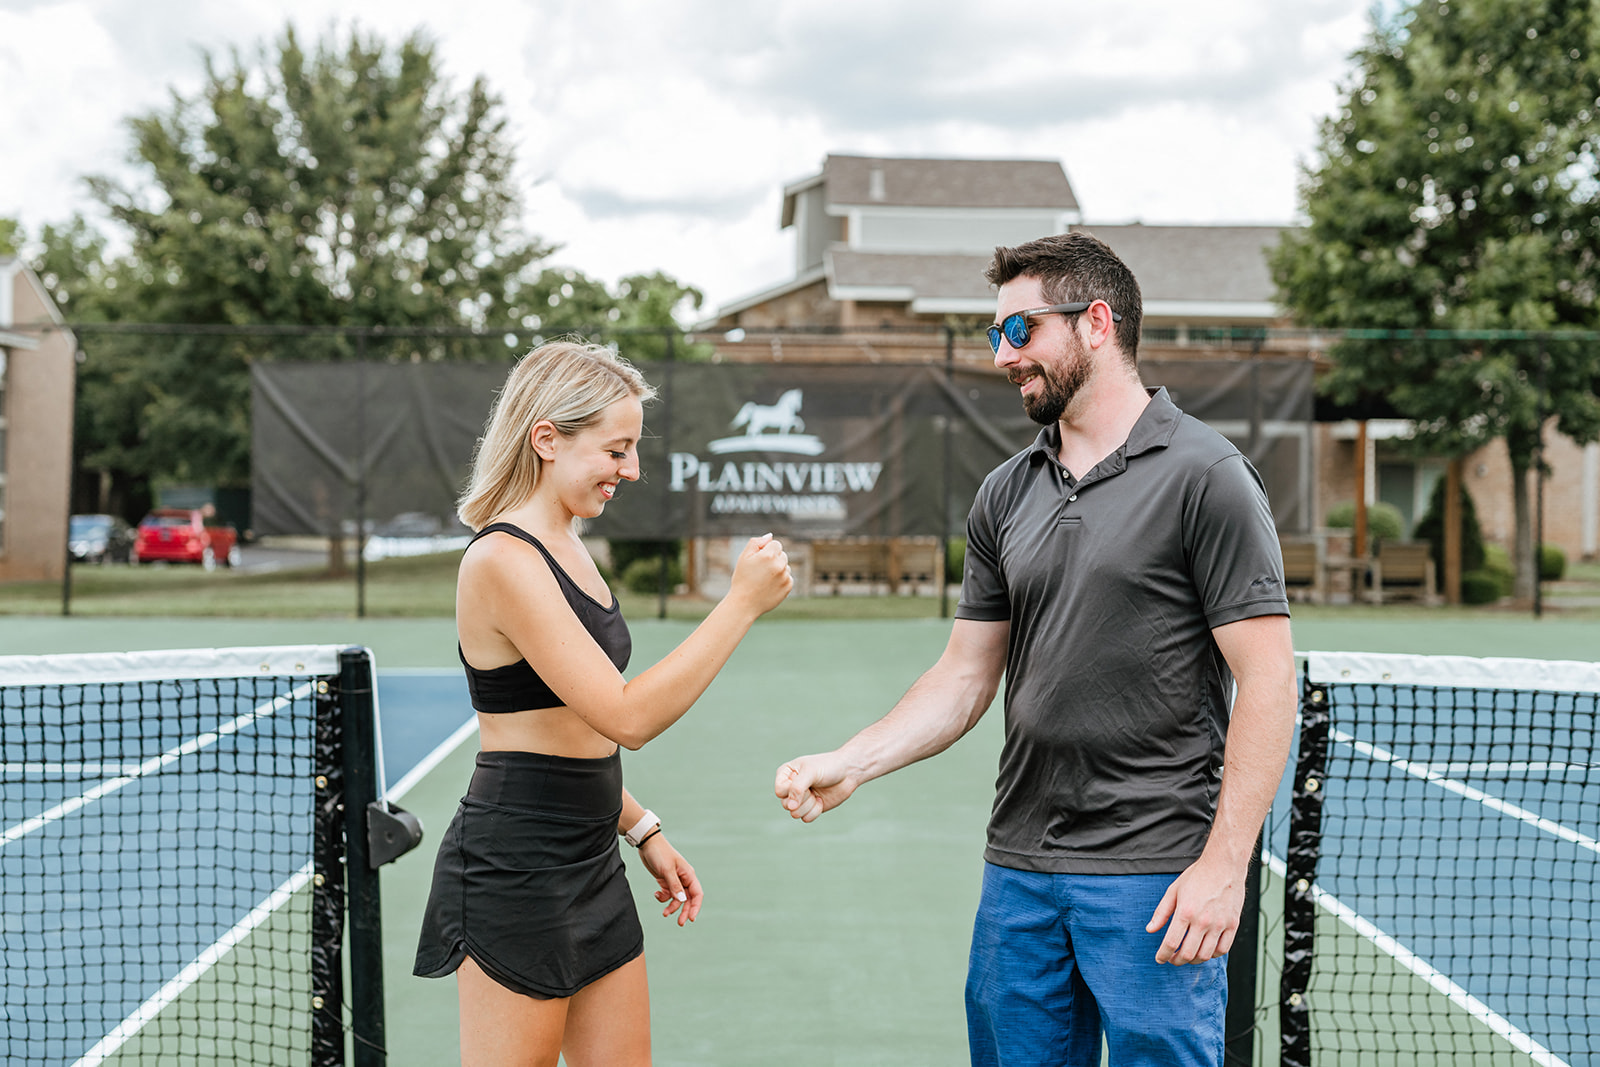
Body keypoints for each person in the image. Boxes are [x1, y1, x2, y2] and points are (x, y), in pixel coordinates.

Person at [774, 233, 1297, 1067]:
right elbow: (965, 673)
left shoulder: (1209, 474)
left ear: (1097, 322)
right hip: (1018, 872)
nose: (1002, 356)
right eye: (994, 335)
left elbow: (1268, 680)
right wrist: (855, 760)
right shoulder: (1005, 491)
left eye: (1020, 330)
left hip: (1155, 876)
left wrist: (1224, 865)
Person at [415, 340, 793, 1066]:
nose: (633, 468)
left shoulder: (567, 542)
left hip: (592, 859)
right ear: (547, 439)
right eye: (617, 448)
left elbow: (561, 730)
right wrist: (740, 603)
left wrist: (643, 827)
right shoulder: (502, 559)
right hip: (514, 869)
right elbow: (625, 716)